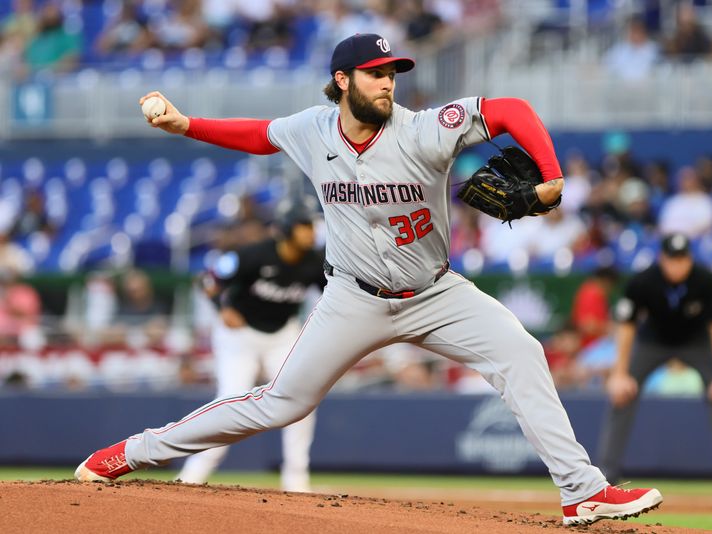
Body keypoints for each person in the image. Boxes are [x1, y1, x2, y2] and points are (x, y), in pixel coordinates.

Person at [75, 33, 661, 526]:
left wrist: (552, 175)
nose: (388, 83)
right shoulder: (312, 130)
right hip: (353, 297)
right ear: (343, 80)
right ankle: (131, 453)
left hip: (435, 293)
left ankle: (581, 491)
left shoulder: (427, 129)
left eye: (393, 73)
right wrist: (185, 126)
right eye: (375, 73)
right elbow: (258, 135)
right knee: (281, 404)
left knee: (522, 353)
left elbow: (509, 111)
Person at [176, 203, 325, 492]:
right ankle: (193, 475)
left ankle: (296, 480)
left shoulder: (315, 261)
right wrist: (222, 307)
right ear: (285, 230)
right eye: (303, 226)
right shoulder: (253, 255)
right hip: (239, 335)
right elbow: (208, 279)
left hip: (282, 335)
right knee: (230, 400)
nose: (310, 233)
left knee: (300, 401)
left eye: (311, 227)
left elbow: (332, 294)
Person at [598, 233, 712, 496]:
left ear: (689, 259)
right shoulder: (643, 281)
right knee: (621, 395)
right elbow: (626, 329)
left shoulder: (705, 280)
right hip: (653, 341)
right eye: (672, 259)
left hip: (696, 342)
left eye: (682, 259)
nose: (677, 265)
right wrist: (619, 373)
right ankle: (605, 479)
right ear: (662, 259)